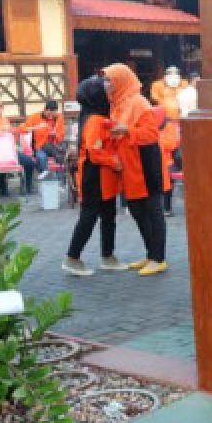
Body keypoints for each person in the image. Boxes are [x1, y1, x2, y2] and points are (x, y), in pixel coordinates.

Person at [103, 63, 168, 277]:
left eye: (109, 80)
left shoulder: (139, 102)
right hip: (129, 165)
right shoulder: (116, 105)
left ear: (121, 80)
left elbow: (151, 135)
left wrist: (127, 130)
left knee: (153, 210)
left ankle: (159, 258)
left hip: (146, 163)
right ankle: (150, 254)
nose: (107, 84)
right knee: (137, 210)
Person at [63, 76, 128, 276]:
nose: (110, 95)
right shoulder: (96, 120)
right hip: (95, 175)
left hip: (101, 175)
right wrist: (115, 161)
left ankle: (108, 256)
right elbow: (94, 150)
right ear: (97, 96)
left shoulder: (94, 117)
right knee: (89, 217)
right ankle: (72, 258)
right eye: (106, 91)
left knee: (108, 216)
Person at [0, 100, 34, 196]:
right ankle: (3, 189)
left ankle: (27, 187)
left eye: (0, 107)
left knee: (29, 162)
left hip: (8, 153)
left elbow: (13, 137)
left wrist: (13, 131)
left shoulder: (5, 120)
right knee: (0, 164)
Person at [17, 99, 65, 181]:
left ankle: (60, 181)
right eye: (49, 114)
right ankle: (45, 181)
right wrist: (36, 127)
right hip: (39, 147)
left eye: (53, 114)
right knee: (41, 157)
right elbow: (21, 129)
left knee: (60, 157)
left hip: (53, 146)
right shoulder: (35, 117)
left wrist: (55, 134)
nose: (51, 117)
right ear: (46, 110)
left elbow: (61, 136)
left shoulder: (58, 118)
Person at [158, 107, 180, 216]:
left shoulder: (170, 126)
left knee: (168, 178)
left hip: (169, 161)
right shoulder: (150, 124)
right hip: (155, 160)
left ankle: (167, 208)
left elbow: (172, 144)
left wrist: (158, 140)